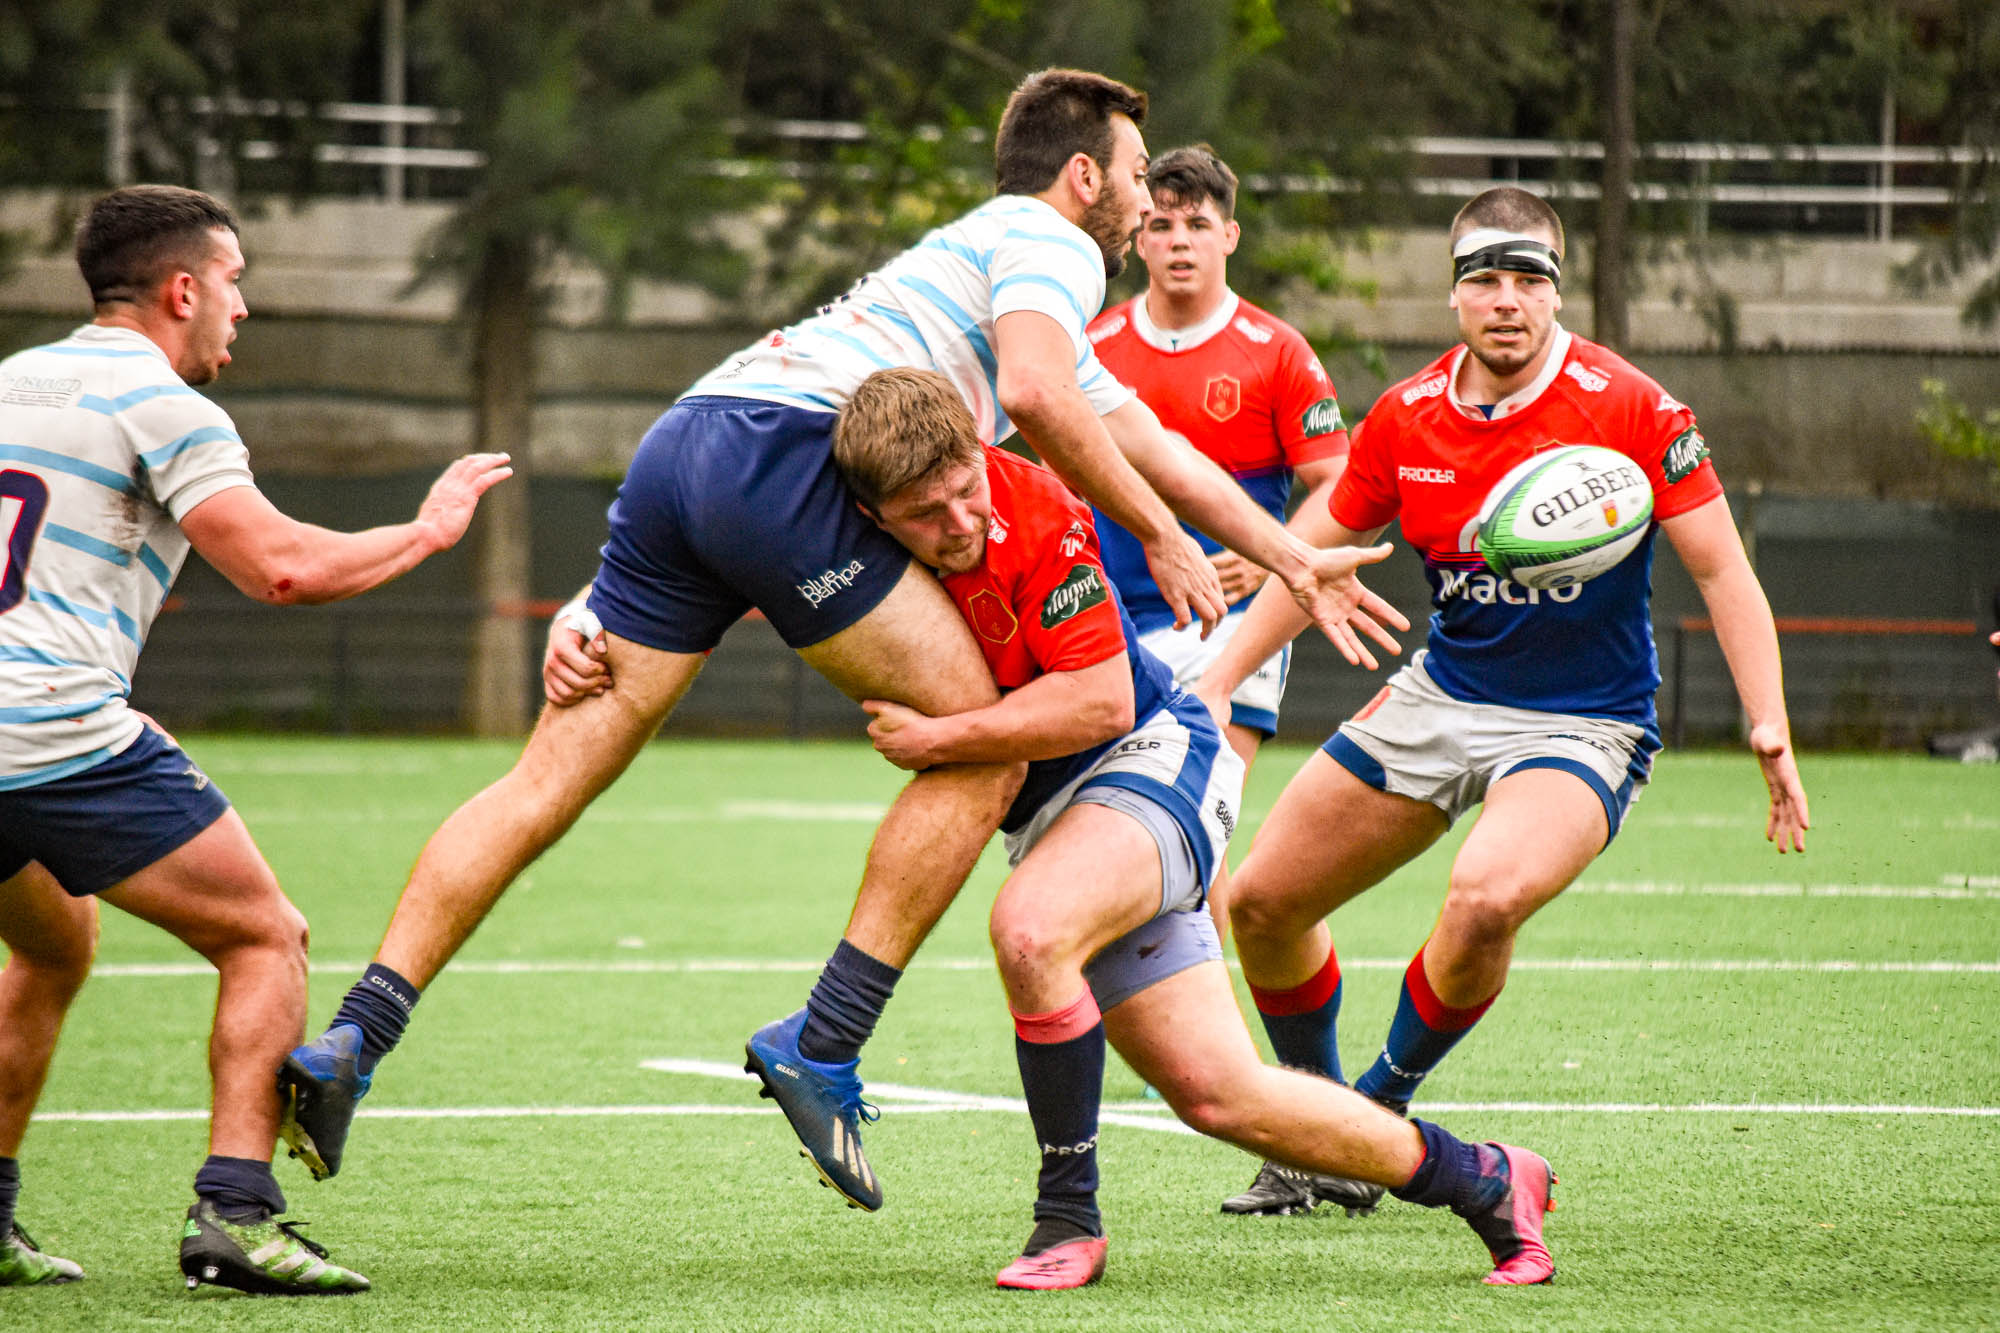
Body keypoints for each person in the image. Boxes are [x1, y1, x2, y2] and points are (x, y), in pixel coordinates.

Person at [280, 68, 1406, 1218]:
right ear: (1084, 176)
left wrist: (1281, 551)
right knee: (981, 744)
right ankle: (825, 1042)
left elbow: (1139, 432)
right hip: (791, 463)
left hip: (689, 446)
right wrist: (1162, 542)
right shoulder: (1049, 242)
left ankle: (354, 1036)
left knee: (544, 783)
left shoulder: (997, 270)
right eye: (1131, 177)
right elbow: (1031, 393)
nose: (1139, 200)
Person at [829, 367, 1553, 1290]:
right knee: (1222, 1095)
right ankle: (1487, 1178)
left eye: (966, 488)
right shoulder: (843, 536)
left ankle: (1067, 1222)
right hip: (1064, 819)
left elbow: (1098, 702)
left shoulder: (1037, 507)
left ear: (981, 452)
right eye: (926, 513)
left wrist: (939, 737)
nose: (962, 522)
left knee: (1031, 927)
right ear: (870, 512)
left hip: (1154, 759)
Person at [1193, 186, 1811, 1218]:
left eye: (1529, 278)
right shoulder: (1405, 415)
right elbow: (1312, 560)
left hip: (1585, 720)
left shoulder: (1632, 409)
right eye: (1485, 276)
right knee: (1258, 902)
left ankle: (1374, 1118)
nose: (1507, 299)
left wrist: (1768, 722)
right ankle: (1316, 1127)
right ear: (1453, 293)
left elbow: (1722, 572)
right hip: (1444, 691)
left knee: (1483, 896)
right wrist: (1214, 679)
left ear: (1556, 290)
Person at [0, 184, 510, 1293]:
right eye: (235, 283)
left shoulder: (11, 382)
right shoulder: (162, 402)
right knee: (263, 937)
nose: (242, 308)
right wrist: (426, 531)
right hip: (46, 737)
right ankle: (237, 1213)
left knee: (52, 942)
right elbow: (281, 566)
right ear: (183, 289)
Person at [1084, 143, 1350, 948]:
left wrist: (1270, 555)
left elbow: (1339, 486)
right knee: (1117, 826)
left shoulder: (1277, 352)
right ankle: (1176, 1024)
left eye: (1198, 223)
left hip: (1228, 625)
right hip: (1112, 624)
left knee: (1198, 814)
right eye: (1160, 224)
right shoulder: (1088, 344)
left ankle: (1217, 1046)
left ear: (1229, 236)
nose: (1179, 241)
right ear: (1138, 236)